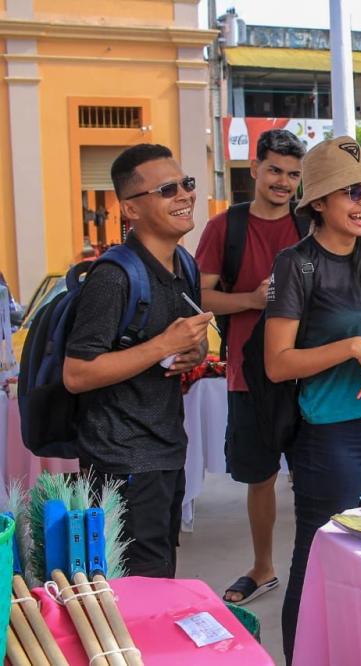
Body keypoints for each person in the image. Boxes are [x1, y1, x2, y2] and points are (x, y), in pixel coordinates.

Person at [263, 137, 361, 660]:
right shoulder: (298, 264)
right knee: (319, 556)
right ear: (318, 202)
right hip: (329, 434)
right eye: (352, 191)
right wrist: (353, 347)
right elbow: (277, 362)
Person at [63, 144, 213, 577]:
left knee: (160, 575)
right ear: (131, 208)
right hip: (120, 460)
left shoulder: (183, 263)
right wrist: (162, 346)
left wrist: (192, 352)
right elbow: (76, 373)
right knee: (135, 590)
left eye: (187, 184)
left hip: (166, 451)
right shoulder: (113, 278)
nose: (184, 195)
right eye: (167, 189)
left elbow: (189, 343)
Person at [195, 129, 306, 605]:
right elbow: (198, 294)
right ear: (255, 169)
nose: (283, 182)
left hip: (309, 370)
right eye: (276, 170)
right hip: (248, 372)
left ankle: (316, 571)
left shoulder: (311, 225)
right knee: (259, 476)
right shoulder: (226, 227)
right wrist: (252, 299)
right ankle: (263, 567)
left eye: (293, 174)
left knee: (316, 476)